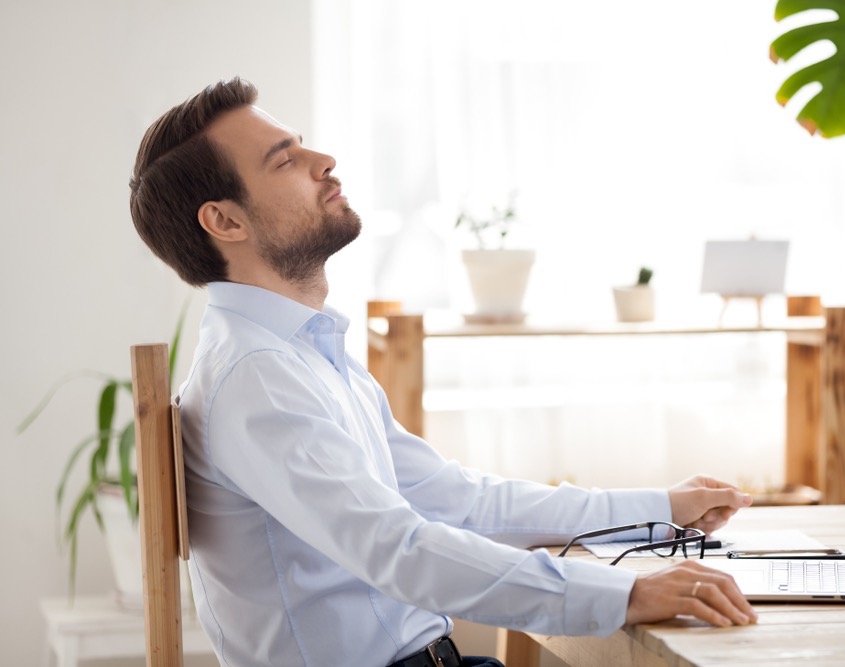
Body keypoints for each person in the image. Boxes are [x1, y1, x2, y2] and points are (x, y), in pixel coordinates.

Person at [129, 77, 758, 667]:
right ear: (226, 221)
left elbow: (458, 501)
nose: (324, 159)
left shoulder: (296, 350)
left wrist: (661, 508)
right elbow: (399, 551)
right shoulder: (256, 375)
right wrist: (624, 594)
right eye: (284, 160)